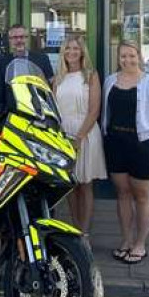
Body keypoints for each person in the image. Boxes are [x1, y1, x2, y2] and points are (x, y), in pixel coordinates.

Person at [101, 41, 149, 264]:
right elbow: (106, 114)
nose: (127, 60)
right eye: (123, 56)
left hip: (141, 145)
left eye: (131, 56)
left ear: (139, 57)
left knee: (142, 196)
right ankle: (126, 240)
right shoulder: (110, 81)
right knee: (122, 194)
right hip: (116, 144)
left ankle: (140, 244)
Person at [52, 35, 106, 233]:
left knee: (85, 185)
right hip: (63, 134)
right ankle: (75, 229)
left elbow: (94, 110)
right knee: (70, 186)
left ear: (82, 52)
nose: (71, 52)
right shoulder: (58, 78)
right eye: (67, 49)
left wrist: (79, 138)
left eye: (75, 49)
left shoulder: (90, 75)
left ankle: (84, 232)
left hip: (85, 133)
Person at [0, 24, 54, 113]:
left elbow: (50, 86)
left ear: (27, 39)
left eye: (22, 37)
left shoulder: (42, 59)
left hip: (39, 111)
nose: (19, 40)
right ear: (10, 40)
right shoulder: (2, 62)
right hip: (13, 112)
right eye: (14, 37)